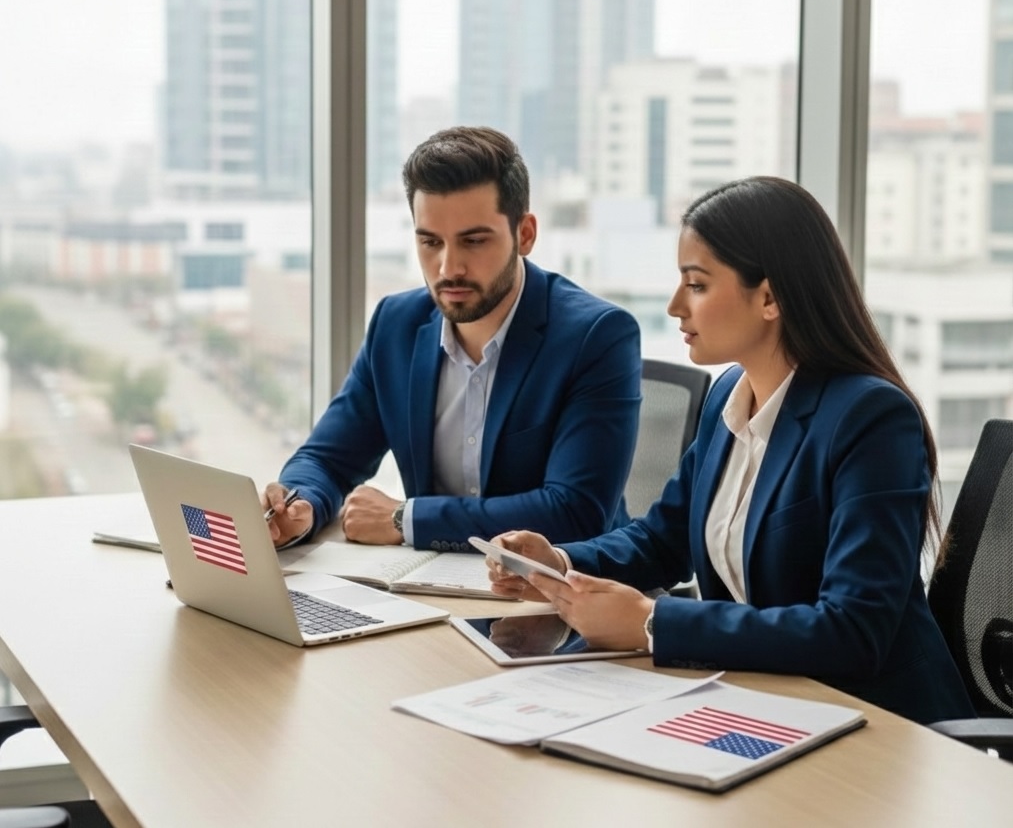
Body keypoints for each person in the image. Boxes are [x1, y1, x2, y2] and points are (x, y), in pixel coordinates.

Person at [487, 176, 974, 725]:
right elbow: (661, 539)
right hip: (763, 703)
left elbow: (853, 631)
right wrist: (560, 561)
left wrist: (653, 623)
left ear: (769, 297)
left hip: (876, 725)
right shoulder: (728, 396)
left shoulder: (871, 420)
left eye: (696, 285)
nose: (675, 306)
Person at [262, 126, 641, 552]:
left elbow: (574, 511)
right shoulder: (396, 325)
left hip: (557, 597)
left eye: (474, 241)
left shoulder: (597, 336)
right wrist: (301, 504)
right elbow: (327, 459)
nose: (448, 268)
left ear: (525, 234)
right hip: (430, 587)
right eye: (430, 242)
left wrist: (405, 519)